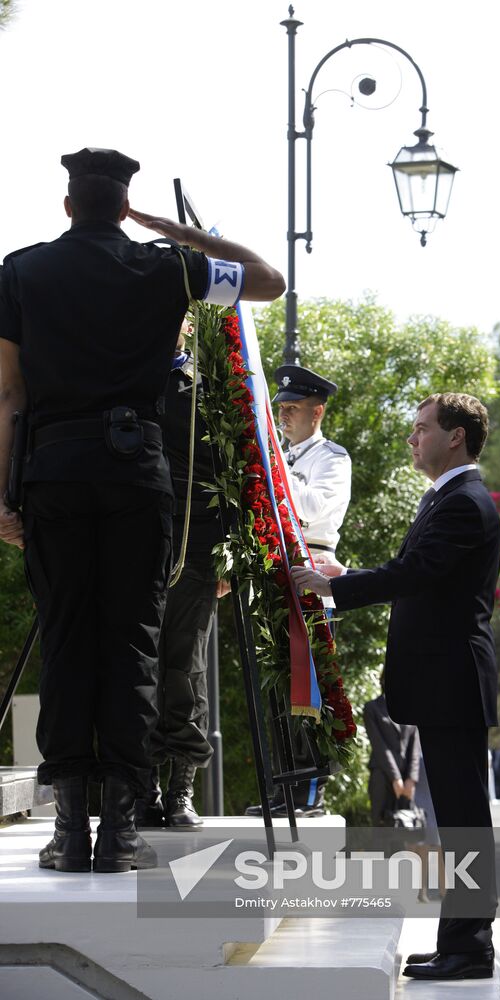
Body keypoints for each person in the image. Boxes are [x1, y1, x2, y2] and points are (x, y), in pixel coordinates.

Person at [0, 147, 284, 873]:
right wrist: (184, 237)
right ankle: (122, 830)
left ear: (69, 205)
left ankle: (69, 831)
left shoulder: (22, 269)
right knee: (130, 643)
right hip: (136, 476)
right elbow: (269, 282)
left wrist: (4, 500)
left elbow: (9, 396)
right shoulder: (168, 268)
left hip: (54, 475)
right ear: (126, 206)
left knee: (67, 637)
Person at [292, 391, 500, 982]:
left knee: (461, 817)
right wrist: (347, 574)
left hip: (454, 681)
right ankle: (459, 940)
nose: (412, 438)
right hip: (445, 682)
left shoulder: (462, 502)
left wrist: (338, 587)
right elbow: (419, 575)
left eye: (421, 428)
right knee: (455, 818)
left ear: (455, 436)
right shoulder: (447, 498)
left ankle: (472, 947)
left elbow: (415, 574)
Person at [245, 364, 351, 818]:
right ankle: (284, 788)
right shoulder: (283, 458)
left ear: (317, 412)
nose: (284, 417)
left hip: (311, 570)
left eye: (292, 409)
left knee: (307, 688)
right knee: (276, 687)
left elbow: (309, 507)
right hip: (275, 573)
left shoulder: (331, 457)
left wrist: (271, 465)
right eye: (280, 409)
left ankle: (310, 793)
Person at [136, 321, 231, 830]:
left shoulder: (208, 384)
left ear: (188, 323)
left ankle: (181, 788)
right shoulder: (129, 374)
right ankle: (145, 784)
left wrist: (228, 555)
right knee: (140, 668)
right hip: (139, 544)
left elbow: (233, 473)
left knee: (185, 669)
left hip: (196, 545)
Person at [363, 674, 420, 827]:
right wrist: (396, 779)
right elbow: (380, 747)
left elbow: (415, 748)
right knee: (381, 830)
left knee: (404, 831)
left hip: (406, 781)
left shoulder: (411, 709)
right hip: (382, 776)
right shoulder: (372, 708)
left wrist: (411, 780)